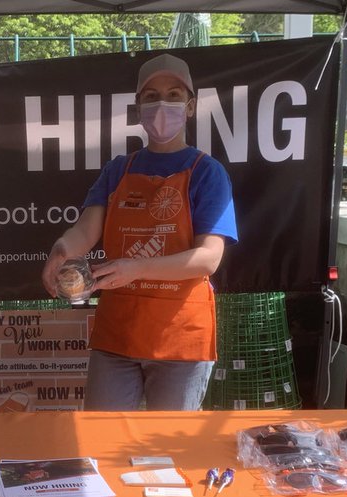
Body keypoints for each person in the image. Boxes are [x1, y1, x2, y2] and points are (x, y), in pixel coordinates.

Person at [42, 53, 238, 411]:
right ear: (138, 109)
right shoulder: (118, 170)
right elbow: (85, 230)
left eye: (174, 95)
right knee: (104, 437)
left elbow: (208, 258)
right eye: (151, 96)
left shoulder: (207, 173)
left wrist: (137, 268)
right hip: (117, 335)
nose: (162, 104)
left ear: (190, 106)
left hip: (180, 338)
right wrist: (61, 250)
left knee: (168, 441)